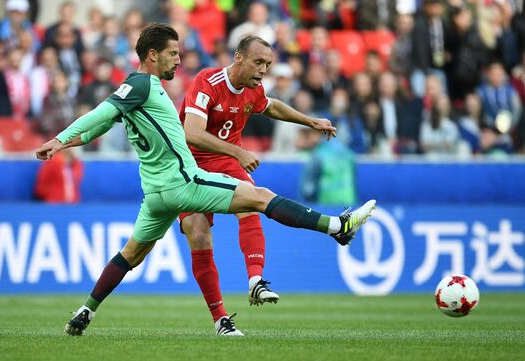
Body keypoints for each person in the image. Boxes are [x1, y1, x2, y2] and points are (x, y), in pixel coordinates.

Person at [35, 24, 376, 337]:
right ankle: (336, 226)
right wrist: (60, 138)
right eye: (172, 54)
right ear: (153, 55)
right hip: (184, 183)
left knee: (131, 254)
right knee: (259, 197)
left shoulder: (134, 91)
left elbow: (99, 124)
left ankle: (86, 311)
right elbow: (100, 114)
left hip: (155, 194)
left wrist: (62, 141)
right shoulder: (143, 84)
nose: (178, 61)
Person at [178, 34, 343, 333]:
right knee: (198, 233)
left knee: (253, 201)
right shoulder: (207, 81)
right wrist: (238, 151)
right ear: (238, 58)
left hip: (225, 162)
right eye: (258, 62)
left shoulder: (253, 90)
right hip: (188, 165)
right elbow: (191, 132)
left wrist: (310, 121)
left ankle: (256, 280)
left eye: (267, 64)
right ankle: (220, 320)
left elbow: (270, 106)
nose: (263, 70)